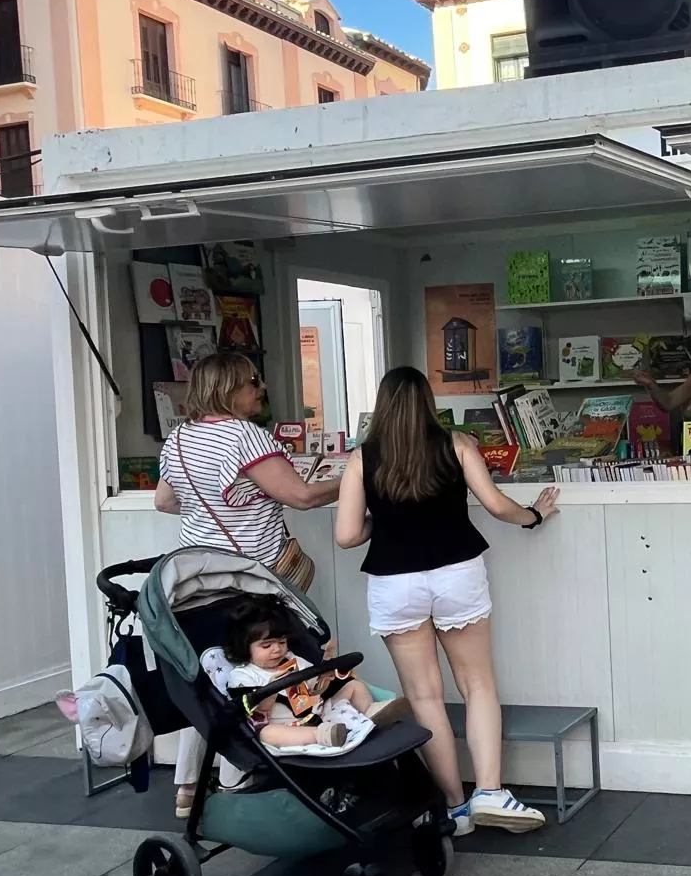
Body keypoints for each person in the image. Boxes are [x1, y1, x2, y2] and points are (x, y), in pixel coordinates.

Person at [334, 366, 559, 836]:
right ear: (427, 402)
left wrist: (386, 524)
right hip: (457, 572)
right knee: (477, 684)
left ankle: (454, 807)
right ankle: (492, 793)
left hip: (395, 583)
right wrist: (536, 514)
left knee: (424, 696)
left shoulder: (364, 457)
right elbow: (497, 506)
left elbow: (347, 535)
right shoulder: (456, 444)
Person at [154, 352, 341, 818]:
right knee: (268, 676)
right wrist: (354, 476)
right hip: (250, 582)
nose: (261, 388)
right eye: (252, 381)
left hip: (196, 583)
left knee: (209, 681)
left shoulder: (177, 439)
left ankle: (187, 787)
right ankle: (244, 782)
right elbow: (299, 495)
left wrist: (215, 514)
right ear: (229, 389)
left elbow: (164, 501)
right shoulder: (245, 436)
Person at [223, 597, 402, 749]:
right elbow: (256, 710)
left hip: (318, 712)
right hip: (284, 725)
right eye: (267, 645)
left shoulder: (292, 659)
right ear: (245, 648)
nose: (277, 649)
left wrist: (325, 673)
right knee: (267, 734)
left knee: (353, 685)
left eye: (282, 642)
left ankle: (370, 714)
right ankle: (323, 736)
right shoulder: (243, 675)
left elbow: (315, 687)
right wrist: (271, 688)